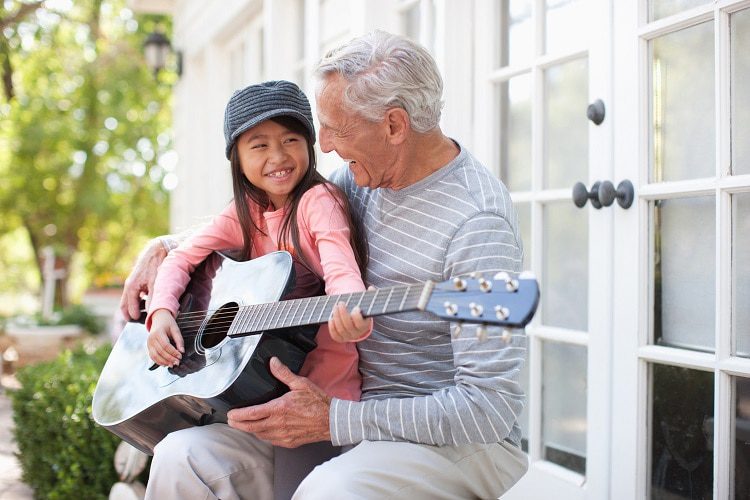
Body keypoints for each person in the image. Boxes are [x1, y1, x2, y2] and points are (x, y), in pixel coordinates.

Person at [121, 31, 528, 499]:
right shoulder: (359, 181)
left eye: (337, 128)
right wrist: (163, 248)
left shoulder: (477, 223)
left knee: (329, 491)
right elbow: (266, 219)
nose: (326, 145)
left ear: (394, 126)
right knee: (182, 458)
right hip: (340, 407)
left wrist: (333, 418)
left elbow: (488, 408)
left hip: (446, 435)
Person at [141, 80, 372, 499]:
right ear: (237, 160)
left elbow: (340, 264)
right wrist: (160, 314)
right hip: (261, 391)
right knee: (177, 455)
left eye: (291, 140)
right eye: (259, 145)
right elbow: (181, 258)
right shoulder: (245, 212)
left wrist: (351, 310)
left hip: (318, 397)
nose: (278, 157)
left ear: (309, 144)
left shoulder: (317, 201)